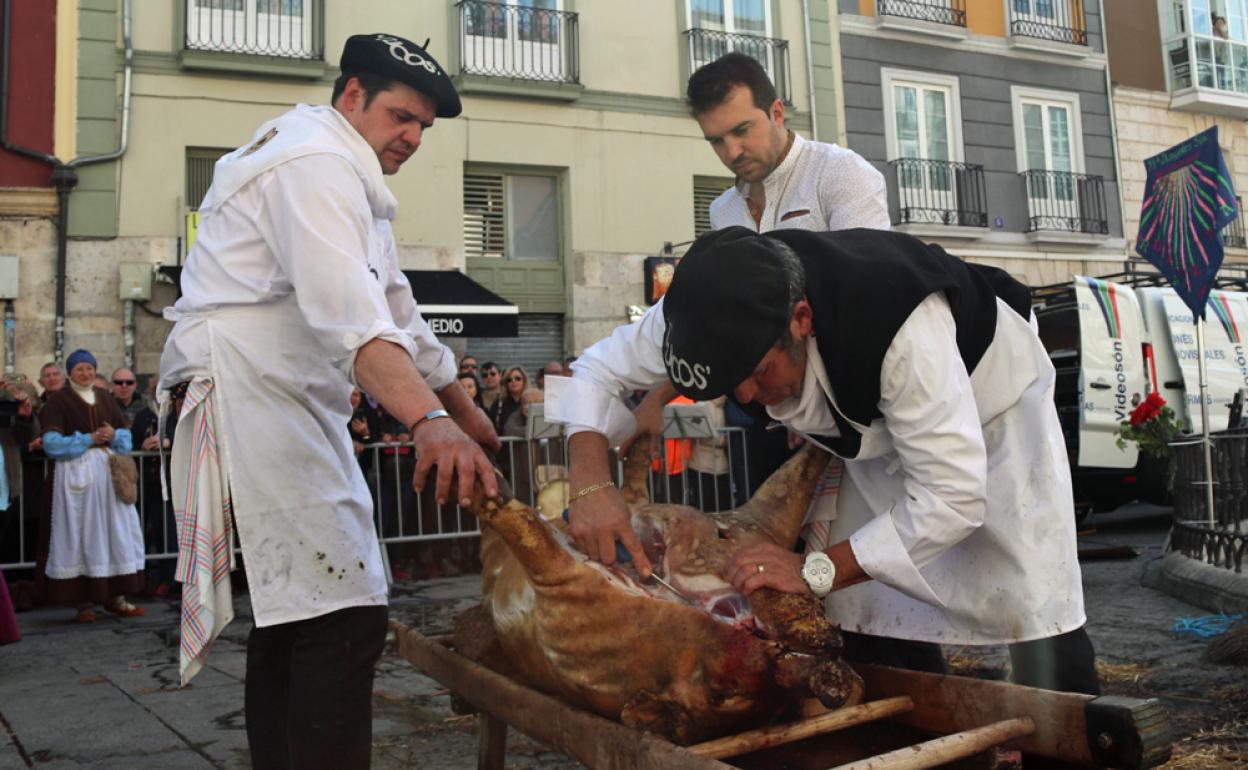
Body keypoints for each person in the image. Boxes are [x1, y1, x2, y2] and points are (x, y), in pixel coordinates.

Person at [549, 227, 1100, 696]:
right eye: (728, 382)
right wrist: (590, 482)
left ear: (801, 318)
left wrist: (814, 569)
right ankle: (910, 723)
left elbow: (953, 499)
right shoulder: (694, 308)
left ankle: (1069, 730)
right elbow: (594, 370)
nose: (745, 395)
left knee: (1032, 602)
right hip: (876, 436)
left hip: (993, 413)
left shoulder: (902, 329)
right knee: (866, 607)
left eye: (758, 371)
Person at [157, 32, 500, 770]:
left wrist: (464, 408)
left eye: (422, 128)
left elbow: (397, 309)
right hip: (248, 387)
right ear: (352, 96)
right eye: (401, 117)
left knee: (302, 611)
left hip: (282, 395)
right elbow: (353, 316)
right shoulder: (313, 160)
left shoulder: (353, 177)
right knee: (341, 613)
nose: (411, 137)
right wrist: (431, 420)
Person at [689, 52, 889, 234]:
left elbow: (868, 272)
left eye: (742, 130)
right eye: (716, 141)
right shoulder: (722, 210)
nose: (732, 152)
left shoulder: (842, 173)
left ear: (777, 114)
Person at [37, 349, 147, 624]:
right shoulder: (58, 402)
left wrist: (113, 435)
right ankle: (84, 601)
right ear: (70, 373)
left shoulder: (106, 398)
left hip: (108, 480)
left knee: (113, 533)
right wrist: (88, 439)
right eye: (79, 369)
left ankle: (116, 596)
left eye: (89, 368)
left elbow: (125, 439)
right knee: (80, 534)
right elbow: (51, 443)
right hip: (76, 479)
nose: (85, 374)